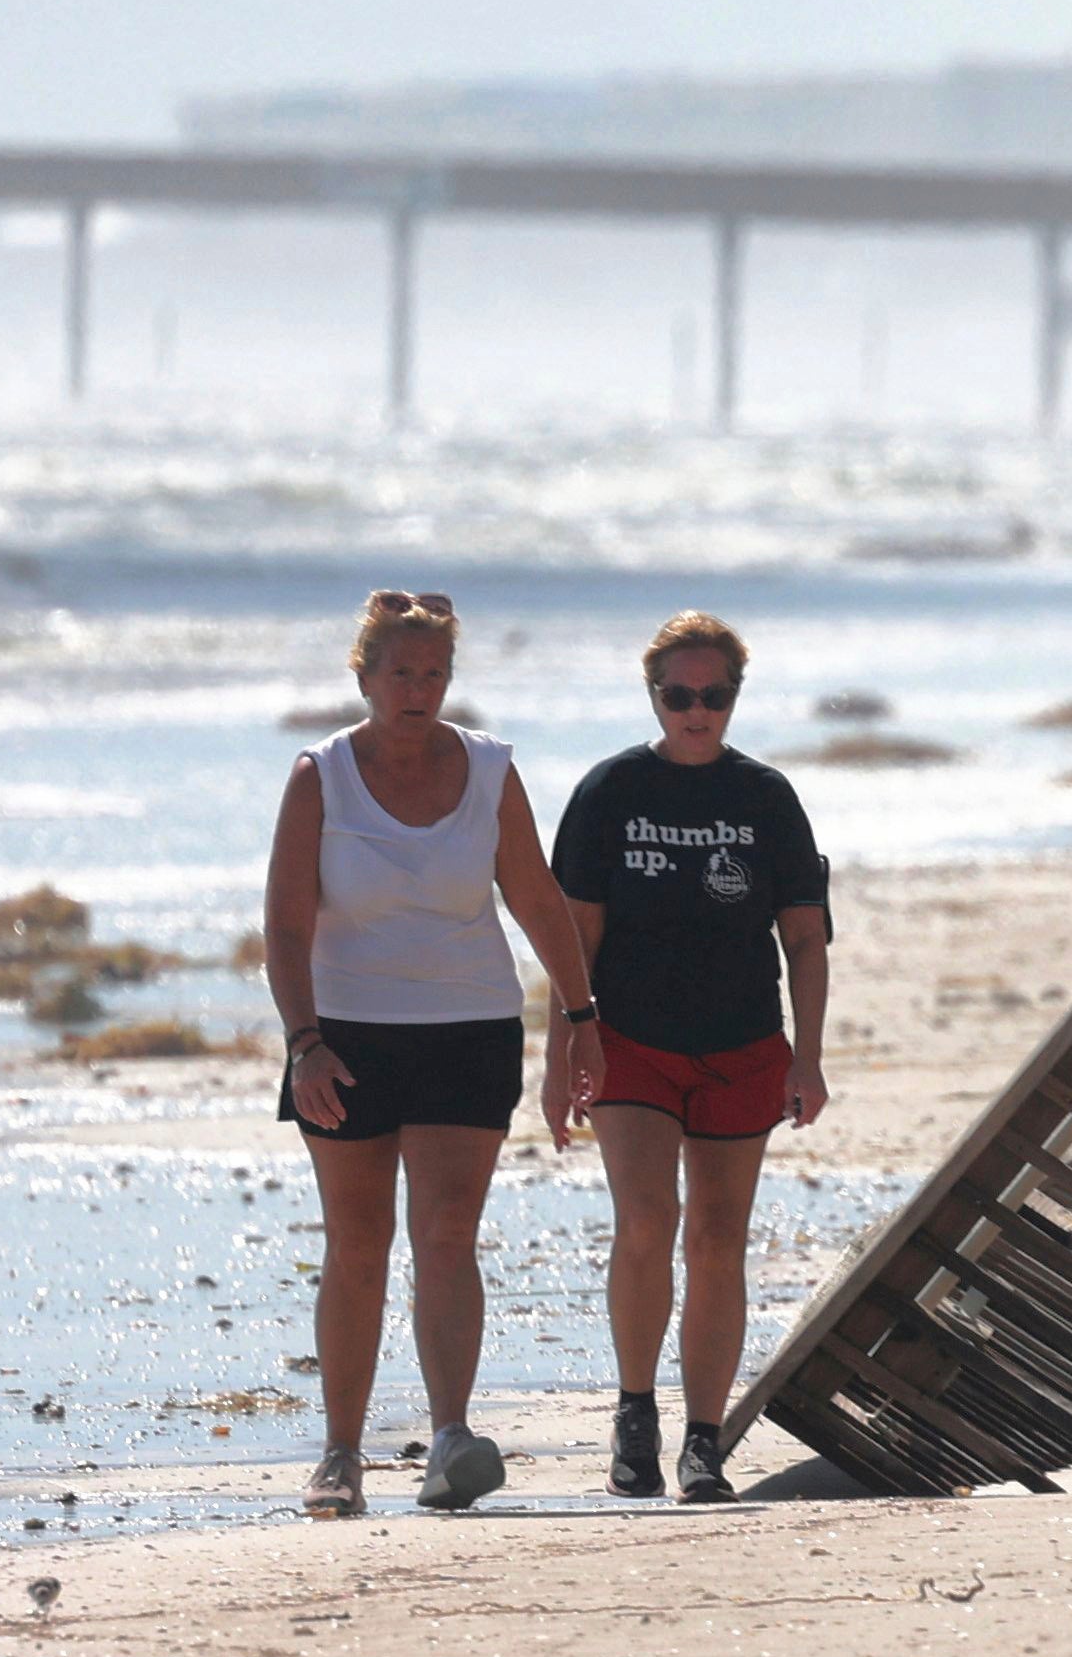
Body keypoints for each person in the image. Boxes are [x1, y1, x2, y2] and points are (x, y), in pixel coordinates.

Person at [264, 588, 600, 1519]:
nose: (418, 689)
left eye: (434, 674)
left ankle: (450, 1437)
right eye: (400, 673)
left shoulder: (490, 770)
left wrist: (582, 1015)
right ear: (364, 677)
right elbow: (286, 931)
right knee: (358, 1243)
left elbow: (538, 900)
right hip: (346, 1037)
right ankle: (340, 1455)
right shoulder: (318, 777)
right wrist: (305, 1046)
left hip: (467, 1028)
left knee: (447, 1235)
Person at [555, 610, 831, 1504]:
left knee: (719, 1240)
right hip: (629, 1042)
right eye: (680, 695)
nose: (696, 710)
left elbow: (805, 940)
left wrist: (809, 1058)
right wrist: (564, 1049)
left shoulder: (766, 798)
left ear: (734, 699)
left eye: (713, 696)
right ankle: (636, 1414)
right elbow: (575, 938)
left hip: (743, 1045)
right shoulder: (609, 793)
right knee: (646, 1221)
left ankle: (703, 1444)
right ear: (654, 697)